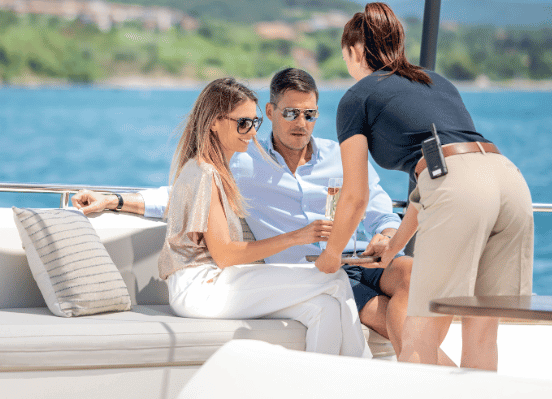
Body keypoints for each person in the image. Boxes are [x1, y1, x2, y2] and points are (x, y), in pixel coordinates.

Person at [74, 67, 425, 359]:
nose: (301, 123)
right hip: (293, 270)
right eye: (290, 113)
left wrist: (386, 235)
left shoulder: (339, 156)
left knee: (410, 279)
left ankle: (382, 379)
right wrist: (116, 201)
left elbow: (377, 207)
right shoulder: (236, 164)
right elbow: (180, 199)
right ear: (272, 113)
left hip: (355, 257)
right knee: (335, 288)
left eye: (310, 114)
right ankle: (378, 380)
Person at [314, 2, 533, 371]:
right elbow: (432, 179)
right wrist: (395, 246)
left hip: (457, 184)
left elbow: (356, 194)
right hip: (507, 178)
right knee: (481, 332)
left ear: (353, 50)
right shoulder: (434, 81)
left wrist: (332, 254)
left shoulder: (357, 97)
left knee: (418, 334)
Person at [156, 76, 369, 357]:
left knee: (325, 308)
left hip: (214, 284)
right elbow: (226, 256)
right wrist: (297, 236)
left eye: (255, 123)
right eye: (243, 123)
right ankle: (366, 374)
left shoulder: (217, 172)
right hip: (199, 289)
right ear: (213, 122)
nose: (252, 132)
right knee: (336, 280)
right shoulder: (204, 173)